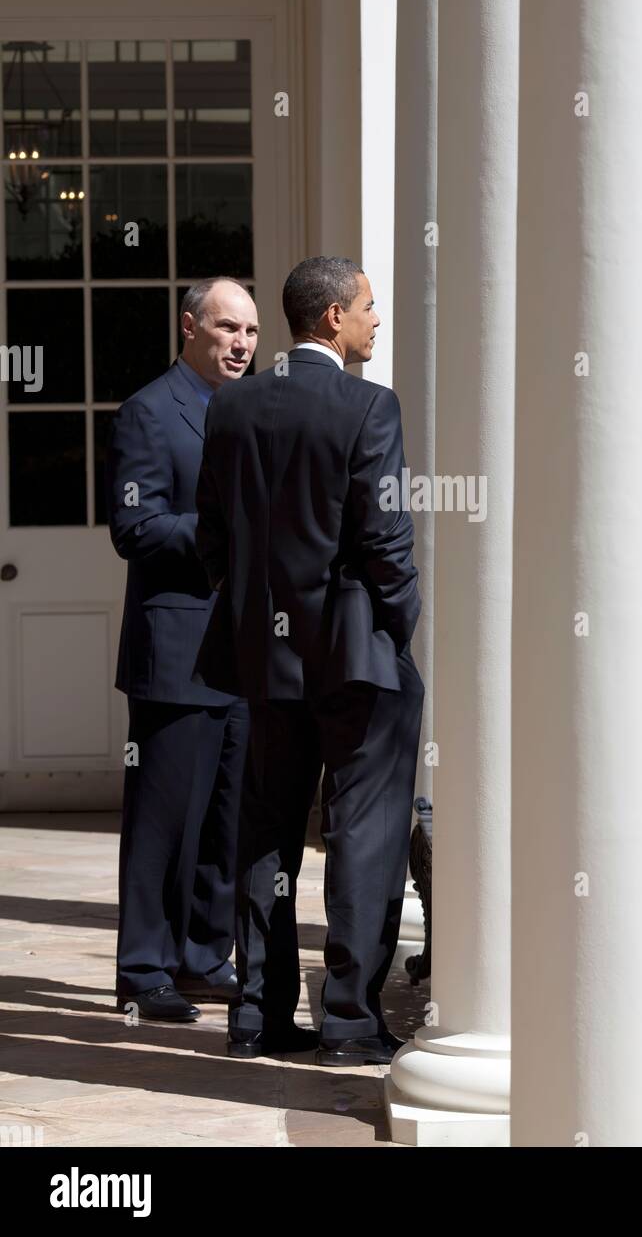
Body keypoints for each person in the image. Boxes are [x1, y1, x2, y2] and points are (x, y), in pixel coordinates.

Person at [194, 256, 424, 1063]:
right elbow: (386, 539)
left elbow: (212, 535)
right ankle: (350, 1021)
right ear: (332, 318)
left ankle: (256, 1014)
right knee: (364, 832)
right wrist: (399, 627)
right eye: (368, 307)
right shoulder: (370, 408)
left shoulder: (232, 407)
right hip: (356, 659)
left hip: (266, 658)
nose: (376, 320)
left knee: (265, 832)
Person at [106, 278, 257, 1021]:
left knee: (225, 817)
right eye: (228, 328)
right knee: (165, 820)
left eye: (252, 333)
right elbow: (134, 528)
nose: (241, 343)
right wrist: (223, 536)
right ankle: (143, 969)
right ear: (190, 327)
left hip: (244, 652)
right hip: (175, 652)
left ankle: (203, 955)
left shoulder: (249, 412)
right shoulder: (148, 410)